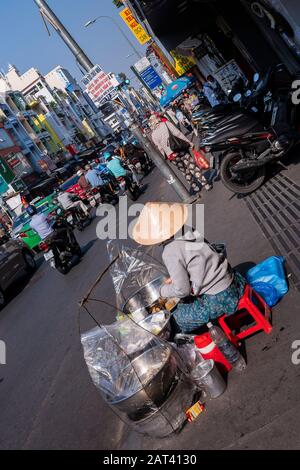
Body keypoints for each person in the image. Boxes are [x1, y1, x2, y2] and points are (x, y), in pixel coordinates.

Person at [132, 202, 246, 333]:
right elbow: (199, 261)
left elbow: (182, 290)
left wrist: (161, 291)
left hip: (219, 298)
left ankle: (210, 342)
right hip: (233, 280)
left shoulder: (170, 251)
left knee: (174, 321)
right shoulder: (187, 229)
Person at [149, 114, 211, 194]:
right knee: (192, 166)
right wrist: (189, 142)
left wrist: (167, 155)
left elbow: (160, 148)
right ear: (157, 119)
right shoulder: (166, 124)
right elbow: (178, 134)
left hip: (172, 156)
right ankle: (205, 184)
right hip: (180, 149)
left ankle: (194, 186)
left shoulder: (153, 135)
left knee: (184, 171)